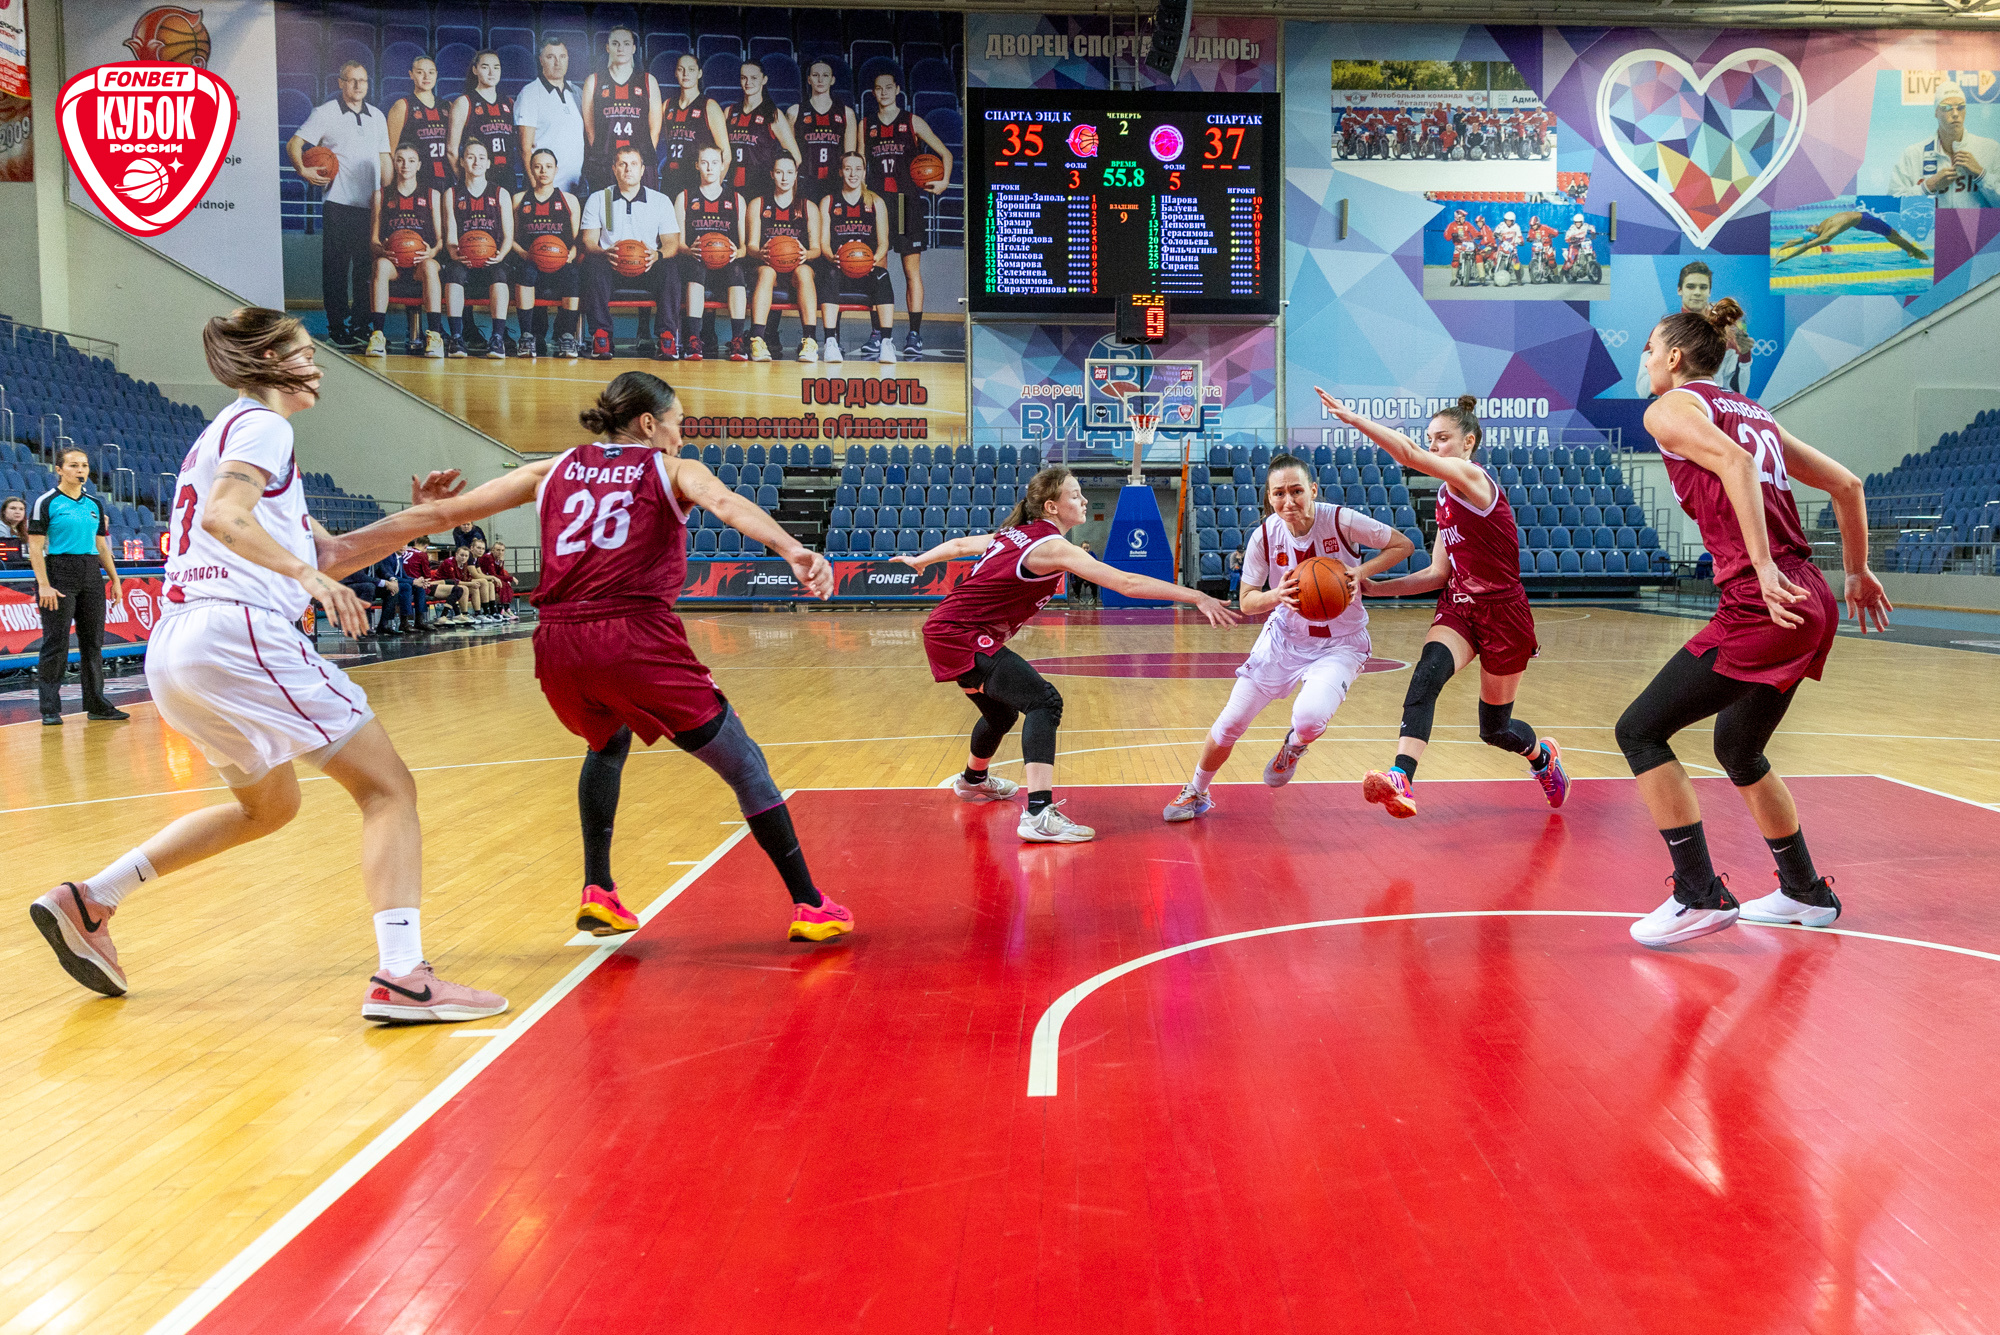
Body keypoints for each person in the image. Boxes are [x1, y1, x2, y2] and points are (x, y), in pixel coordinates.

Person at [27, 308, 507, 1021]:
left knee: (270, 807)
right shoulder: (264, 424)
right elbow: (226, 517)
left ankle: (92, 899)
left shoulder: (223, 434)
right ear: (273, 361)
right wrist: (306, 579)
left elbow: (331, 554)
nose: (317, 366)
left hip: (178, 646)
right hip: (236, 632)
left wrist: (414, 521)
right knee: (388, 789)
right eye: (305, 353)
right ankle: (403, 977)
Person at [326, 372, 855, 944]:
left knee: (606, 743)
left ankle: (599, 889)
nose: (681, 436)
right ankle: (810, 904)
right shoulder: (671, 469)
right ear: (649, 423)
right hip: (632, 637)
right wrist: (793, 549)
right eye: (677, 424)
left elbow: (437, 519)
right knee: (745, 764)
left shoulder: (549, 469)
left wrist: (336, 552)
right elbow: (726, 504)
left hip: (557, 645)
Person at [1617, 298, 1892, 948]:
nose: (1644, 359)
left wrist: (1763, 567)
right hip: (1811, 597)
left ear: (1675, 357)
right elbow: (1848, 486)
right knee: (1739, 748)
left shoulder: (1670, 408)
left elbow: (1737, 466)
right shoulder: (1754, 413)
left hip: (1763, 598)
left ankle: (1698, 894)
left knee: (1640, 730)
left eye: (1649, 349)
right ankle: (1804, 891)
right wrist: (1855, 572)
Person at [894, 467, 1238, 844]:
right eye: (1075, 495)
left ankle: (973, 780)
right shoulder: (1051, 546)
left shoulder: (1014, 534)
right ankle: (1039, 813)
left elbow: (961, 546)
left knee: (1002, 713)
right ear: (1052, 507)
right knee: (1044, 701)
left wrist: (922, 559)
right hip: (959, 635)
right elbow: (1126, 583)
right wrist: (1195, 596)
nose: (1085, 500)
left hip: (949, 631)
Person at [1317, 392, 1570, 818]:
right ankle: (1402, 777)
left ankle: (1542, 758)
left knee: (1495, 730)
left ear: (1469, 442)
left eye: (1442, 438)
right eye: (1430, 439)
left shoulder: (1474, 480)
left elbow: (1408, 454)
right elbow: (1438, 574)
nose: (1433, 446)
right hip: (1460, 606)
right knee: (1426, 676)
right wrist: (1376, 588)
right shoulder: (1444, 497)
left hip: (1504, 614)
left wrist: (1353, 419)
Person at [1164, 455, 1412, 822]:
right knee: (1230, 723)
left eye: (1297, 491)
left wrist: (1359, 573)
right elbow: (1248, 602)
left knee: (1309, 720)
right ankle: (1197, 791)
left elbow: (1403, 545)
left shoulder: (1341, 521)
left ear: (1313, 490)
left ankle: (1293, 747)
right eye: (1279, 493)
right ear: (1269, 497)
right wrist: (1276, 595)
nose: (1289, 500)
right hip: (1284, 640)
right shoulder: (1265, 536)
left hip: (1342, 643)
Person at [289, 61, 392, 352]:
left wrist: (390, 192)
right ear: (340, 83)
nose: (358, 86)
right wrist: (303, 170)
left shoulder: (377, 116)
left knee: (365, 271)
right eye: (352, 80)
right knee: (336, 270)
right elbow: (294, 144)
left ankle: (361, 325)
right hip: (338, 203)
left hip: (371, 206)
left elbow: (384, 158)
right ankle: (337, 328)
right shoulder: (325, 112)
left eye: (363, 80)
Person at [26, 447, 127, 725]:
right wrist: (44, 585)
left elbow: (102, 546)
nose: (80, 470)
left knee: (93, 643)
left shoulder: (94, 503)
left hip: (91, 573)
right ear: (59, 470)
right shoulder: (46, 502)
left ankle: (97, 704)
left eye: (84, 465)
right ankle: (49, 708)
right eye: (73, 465)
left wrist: (115, 579)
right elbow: (35, 548)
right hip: (59, 572)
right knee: (56, 642)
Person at [861, 71, 952, 360]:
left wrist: (944, 181)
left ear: (898, 90)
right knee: (877, 270)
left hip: (905, 203)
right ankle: (878, 333)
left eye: (889, 87)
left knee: (911, 271)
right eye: (879, 88)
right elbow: (859, 164)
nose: (884, 92)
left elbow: (945, 154)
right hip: (878, 204)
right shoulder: (866, 124)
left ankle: (914, 334)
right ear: (873, 93)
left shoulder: (912, 121)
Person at [580, 145, 683, 360]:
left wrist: (657, 255)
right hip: (612, 266)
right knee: (593, 263)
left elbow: (671, 243)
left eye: (634, 164)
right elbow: (589, 241)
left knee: (670, 267)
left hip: (647, 267)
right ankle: (602, 335)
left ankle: (667, 336)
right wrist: (604, 252)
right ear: (614, 169)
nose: (628, 169)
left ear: (643, 170)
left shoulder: (660, 201)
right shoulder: (600, 198)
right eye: (622, 164)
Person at [814, 151, 896, 364]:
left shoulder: (876, 202)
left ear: (864, 172)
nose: (853, 174)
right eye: (848, 168)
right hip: (840, 268)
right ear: (840, 172)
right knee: (830, 274)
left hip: (867, 270)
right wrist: (832, 257)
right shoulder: (829, 202)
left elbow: (884, 243)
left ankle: (886, 343)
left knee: (883, 275)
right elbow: (824, 243)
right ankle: (831, 342)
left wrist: (872, 260)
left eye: (858, 169)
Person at [365, 143, 445, 359]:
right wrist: (383, 251)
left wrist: (432, 252)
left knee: (430, 267)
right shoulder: (381, 195)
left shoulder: (432, 195)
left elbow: (440, 240)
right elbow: (373, 240)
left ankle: (435, 336)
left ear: (419, 165)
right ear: (394, 163)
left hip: (421, 261)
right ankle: (378, 335)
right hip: (393, 262)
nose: (405, 165)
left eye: (411, 161)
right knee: (380, 265)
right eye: (400, 160)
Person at [440, 140, 515, 359]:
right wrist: (455, 254)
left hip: (492, 258)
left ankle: (497, 338)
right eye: (471, 157)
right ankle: (456, 338)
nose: (476, 162)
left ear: (489, 163)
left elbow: (508, 236)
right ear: (462, 162)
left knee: (500, 274)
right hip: (463, 257)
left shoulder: (500, 193)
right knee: (454, 273)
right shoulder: (451, 194)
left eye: (482, 157)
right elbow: (450, 235)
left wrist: (500, 255)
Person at [507, 148, 583, 357]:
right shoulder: (519, 199)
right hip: (530, 261)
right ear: (531, 169)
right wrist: (523, 253)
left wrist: (571, 254)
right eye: (538, 166)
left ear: (556, 170)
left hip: (560, 263)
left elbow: (577, 239)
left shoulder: (569, 200)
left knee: (573, 274)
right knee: (525, 272)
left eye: (548, 166)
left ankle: (567, 336)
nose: (543, 171)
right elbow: (510, 237)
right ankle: (526, 336)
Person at [747, 154, 822, 362]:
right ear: (772, 174)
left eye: (789, 172)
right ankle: (757, 339)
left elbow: (816, 249)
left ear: (796, 175)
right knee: (767, 272)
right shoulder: (758, 204)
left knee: (805, 271)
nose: (784, 178)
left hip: (796, 267)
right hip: (767, 265)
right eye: (779, 172)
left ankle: (809, 340)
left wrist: (806, 254)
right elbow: (751, 246)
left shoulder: (808, 207)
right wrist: (760, 253)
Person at [678, 145, 749, 361]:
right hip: (696, 261)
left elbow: (744, 247)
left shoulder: (736, 199)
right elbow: (678, 244)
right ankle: (693, 340)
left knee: (737, 270)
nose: (709, 168)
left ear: (722, 166)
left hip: (726, 264)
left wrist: (736, 252)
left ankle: (737, 340)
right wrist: (689, 250)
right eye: (704, 162)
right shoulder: (685, 197)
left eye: (715, 163)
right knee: (696, 268)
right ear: (697, 165)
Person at [1638, 261, 1750, 396]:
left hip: (1712, 406)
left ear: (1709, 292)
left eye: (1703, 287)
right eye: (1690, 287)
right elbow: (1643, 389)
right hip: (1675, 405)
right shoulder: (1664, 331)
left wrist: (1745, 355)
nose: (1697, 292)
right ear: (1679, 290)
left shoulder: (1727, 332)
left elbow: (1737, 391)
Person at [1886, 85, 1999, 208]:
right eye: (1947, 108)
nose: (1955, 113)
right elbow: (1893, 205)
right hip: (1934, 221)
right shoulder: (1913, 154)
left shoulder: (1991, 149)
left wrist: (1981, 175)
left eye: (1960, 107)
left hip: (1976, 222)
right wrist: (1928, 186)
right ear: (1936, 112)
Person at [580, 26, 661, 196]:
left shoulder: (648, 81)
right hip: (605, 163)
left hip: (639, 165)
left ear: (633, 48)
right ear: (607, 47)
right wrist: (603, 154)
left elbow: (655, 129)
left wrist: (638, 162)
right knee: (607, 210)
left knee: (640, 210)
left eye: (626, 43)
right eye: (615, 43)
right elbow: (590, 129)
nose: (620, 48)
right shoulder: (593, 81)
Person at [726, 60, 802, 217]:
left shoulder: (773, 114)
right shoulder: (730, 112)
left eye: (754, 78)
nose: (748, 82)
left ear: (764, 79)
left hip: (761, 187)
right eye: (744, 78)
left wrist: (778, 179)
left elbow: (796, 157)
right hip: (733, 186)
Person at [656, 52, 730, 204]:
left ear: (699, 73)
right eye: (681, 69)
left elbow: (726, 155)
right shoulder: (667, 105)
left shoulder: (709, 106)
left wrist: (712, 188)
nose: (685, 74)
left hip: (695, 181)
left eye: (691, 69)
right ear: (675, 73)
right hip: (671, 180)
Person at [514, 38, 585, 194]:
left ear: (568, 59)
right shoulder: (530, 93)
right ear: (541, 60)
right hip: (545, 190)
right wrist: (538, 190)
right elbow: (525, 149)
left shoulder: (578, 93)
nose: (557, 62)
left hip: (575, 188)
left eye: (562, 56)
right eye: (551, 57)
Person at [447, 50, 518, 194]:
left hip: (507, 177)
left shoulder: (509, 103)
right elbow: (451, 150)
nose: (491, 72)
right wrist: (465, 179)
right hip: (478, 177)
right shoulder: (464, 102)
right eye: (485, 67)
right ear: (475, 70)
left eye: (496, 67)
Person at [384, 55, 451, 200]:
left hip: (446, 178)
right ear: (411, 74)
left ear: (436, 75)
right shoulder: (402, 106)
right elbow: (391, 151)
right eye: (420, 72)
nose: (426, 77)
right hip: (416, 180)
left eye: (431, 72)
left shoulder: (447, 106)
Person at [788, 59, 855, 203]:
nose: (820, 79)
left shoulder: (846, 113)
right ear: (809, 79)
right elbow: (789, 157)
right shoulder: (794, 112)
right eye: (815, 75)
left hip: (835, 182)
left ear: (832, 80)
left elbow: (850, 158)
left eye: (825, 75)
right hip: (805, 182)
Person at [1773, 208, 1930, 265]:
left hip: (1861, 217)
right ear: (1814, 235)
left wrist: (1781, 249)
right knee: (1892, 234)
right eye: (1809, 229)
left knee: (1890, 235)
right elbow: (1806, 245)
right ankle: (1913, 251)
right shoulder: (1826, 235)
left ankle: (1909, 250)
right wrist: (1786, 259)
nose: (1809, 226)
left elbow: (1797, 241)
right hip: (1865, 221)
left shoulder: (1820, 227)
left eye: (1807, 227)